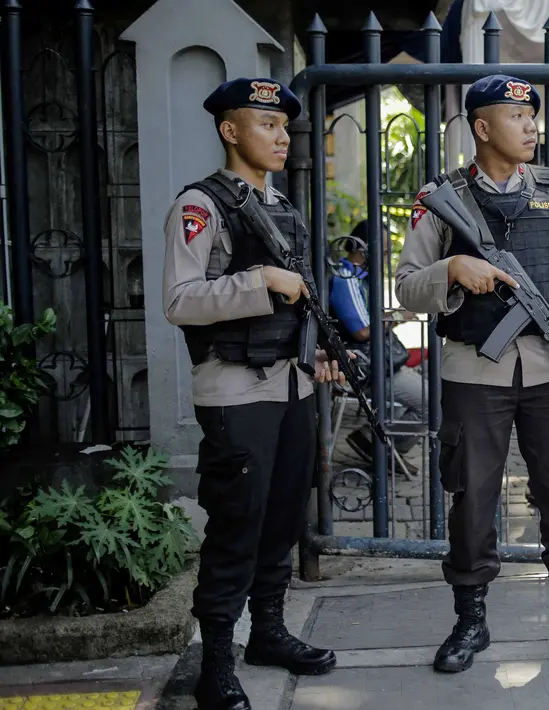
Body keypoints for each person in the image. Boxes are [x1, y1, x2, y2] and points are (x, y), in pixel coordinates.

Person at [394, 74, 549, 674]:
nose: (530, 127)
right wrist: (453, 269)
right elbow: (407, 287)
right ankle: (471, 623)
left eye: (532, 116)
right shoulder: (442, 198)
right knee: (471, 500)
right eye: (515, 117)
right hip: (475, 374)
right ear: (481, 128)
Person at [162, 77, 344, 710]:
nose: (280, 137)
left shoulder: (283, 207)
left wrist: (317, 351)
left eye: (284, 127)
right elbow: (180, 302)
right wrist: (259, 279)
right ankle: (216, 664)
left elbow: (298, 303)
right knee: (237, 525)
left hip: (290, 385)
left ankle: (267, 633)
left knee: (283, 519)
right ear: (229, 130)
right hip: (235, 389)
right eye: (265, 125)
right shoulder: (200, 206)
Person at [328, 219, 426, 459]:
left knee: (435, 387)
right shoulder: (346, 278)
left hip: (380, 364)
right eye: (383, 252)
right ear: (362, 249)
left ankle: (380, 446)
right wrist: (397, 317)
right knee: (434, 404)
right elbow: (362, 331)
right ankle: (375, 446)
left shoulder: (358, 276)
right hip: (367, 368)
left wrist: (392, 316)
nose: (386, 257)